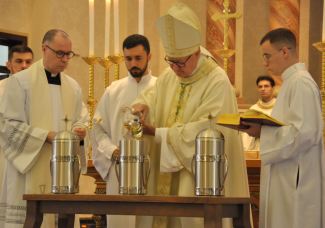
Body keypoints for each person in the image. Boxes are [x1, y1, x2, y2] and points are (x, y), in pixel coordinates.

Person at [131, 3, 250, 228]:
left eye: (180, 62)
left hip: (198, 177)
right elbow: (152, 96)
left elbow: (210, 129)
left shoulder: (217, 81)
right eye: (170, 61)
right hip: (164, 173)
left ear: (196, 53)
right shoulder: (170, 74)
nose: (174, 68)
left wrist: (158, 133)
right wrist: (143, 105)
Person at [0, 29, 89, 228]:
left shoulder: (73, 87)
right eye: (60, 53)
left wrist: (80, 131)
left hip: (63, 171)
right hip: (29, 169)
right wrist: (45, 136)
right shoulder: (20, 82)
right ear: (44, 49)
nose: (65, 59)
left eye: (68, 54)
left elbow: (81, 118)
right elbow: (7, 124)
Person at [241, 28, 325, 228]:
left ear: (285, 52)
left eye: (267, 56)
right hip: (287, 177)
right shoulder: (291, 83)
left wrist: (262, 132)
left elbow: (304, 133)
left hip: (296, 183)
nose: (264, 62)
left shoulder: (301, 83)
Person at [92, 34, 157, 228]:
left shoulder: (161, 87)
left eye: (138, 58)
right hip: (120, 172)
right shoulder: (113, 90)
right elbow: (97, 129)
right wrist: (112, 149)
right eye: (128, 59)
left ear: (149, 56)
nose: (133, 64)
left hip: (152, 171)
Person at [0, 45, 34, 228]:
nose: (24, 66)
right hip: (1, 158)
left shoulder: (37, 92)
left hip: (30, 158)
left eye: (28, 62)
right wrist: (10, 129)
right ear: (8, 65)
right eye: (19, 61)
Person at [242, 75, 275, 151]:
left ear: (273, 88)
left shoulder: (280, 107)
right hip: (257, 148)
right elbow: (247, 133)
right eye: (260, 87)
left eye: (266, 86)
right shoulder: (253, 109)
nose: (263, 89)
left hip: (274, 147)